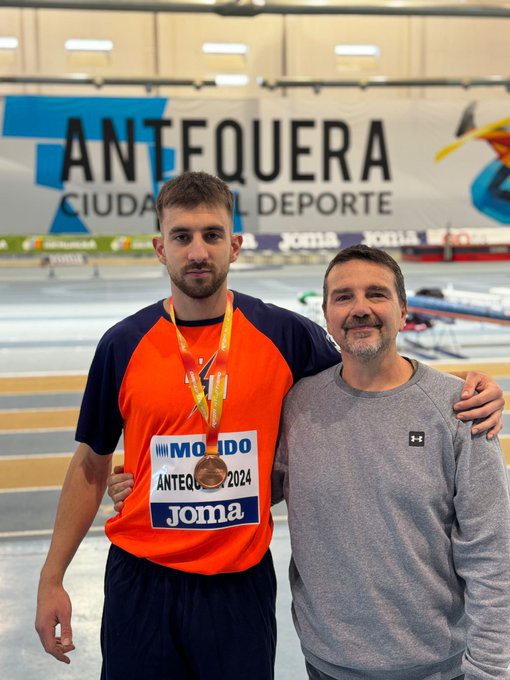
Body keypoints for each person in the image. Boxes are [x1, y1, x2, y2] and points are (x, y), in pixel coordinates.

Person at [35, 171, 503, 680]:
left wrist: (465, 388)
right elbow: (90, 463)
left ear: (234, 246)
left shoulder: (287, 335)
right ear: (159, 247)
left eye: (212, 235)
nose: (197, 251)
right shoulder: (122, 344)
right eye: (182, 236)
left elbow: (368, 360)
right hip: (142, 579)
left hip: (239, 585)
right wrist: (52, 576)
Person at [272, 245, 510, 680]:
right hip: (326, 664)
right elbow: (249, 487)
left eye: (376, 294)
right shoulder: (298, 407)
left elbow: (493, 555)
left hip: (437, 668)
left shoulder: (460, 409)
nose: (360, 308)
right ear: (325, 315)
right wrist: (144, 486)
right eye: (343, 297)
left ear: (403, 310)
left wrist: (491, 671)